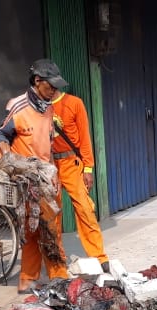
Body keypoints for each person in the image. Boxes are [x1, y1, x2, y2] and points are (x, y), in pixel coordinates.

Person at [0, 59, 70, 293]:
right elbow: (0, 134)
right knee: (33, 228)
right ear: (37, 81)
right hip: (25, 181)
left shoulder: (48, 108)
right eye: (50, 87)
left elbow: (47, 143)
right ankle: (29, 279)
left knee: (51, 228)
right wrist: (11, 160)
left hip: (46, 178)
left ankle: (57, 275)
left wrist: (53, 173)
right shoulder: (18, 107)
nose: (54, 92)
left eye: (57, 88)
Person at [50, 77, 109, 269]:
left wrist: (88, 168)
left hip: (71, 163)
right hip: (50, 165)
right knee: (52, 215)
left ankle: (99, 257)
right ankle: (58, 262)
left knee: (85, 209)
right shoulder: (39, 108)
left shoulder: (74, 103)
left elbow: (84, 138)